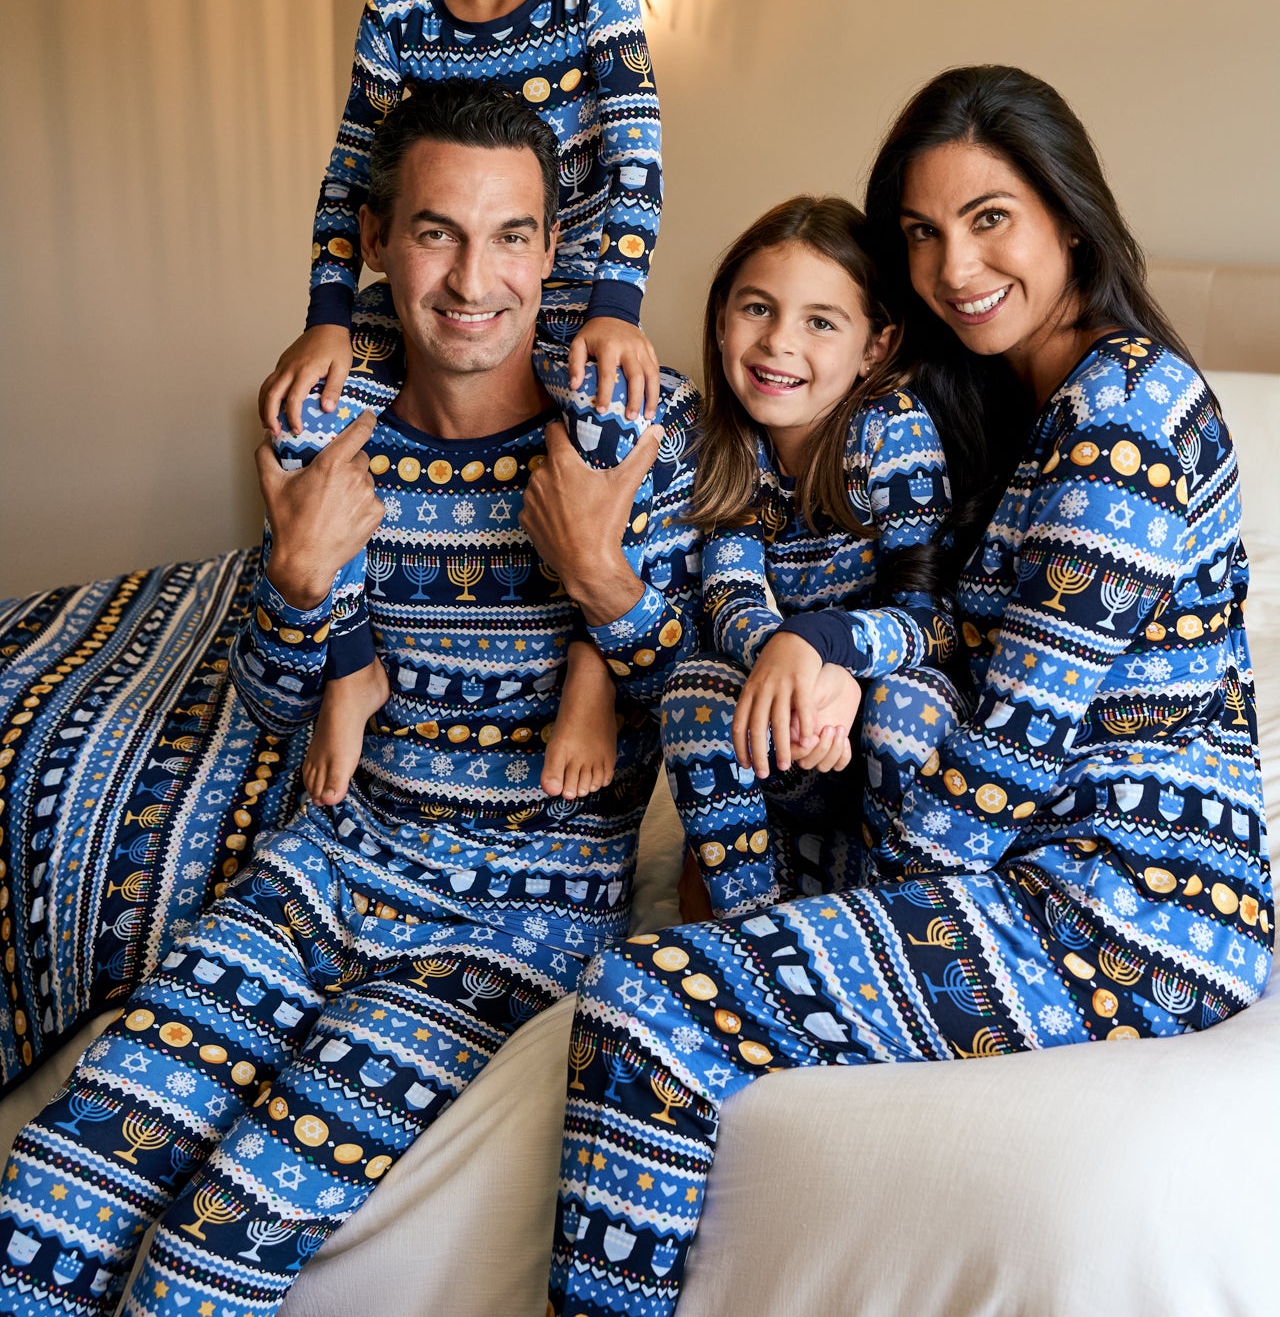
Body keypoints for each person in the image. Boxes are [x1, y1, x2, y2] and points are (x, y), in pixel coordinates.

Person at [545, 66, 1272, 1317]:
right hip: (1031, 859)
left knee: (645, 1004)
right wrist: (822, 654)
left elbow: (1008, 750)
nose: (953, 266)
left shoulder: (1126, 408)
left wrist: (867, 838)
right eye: (923, 234)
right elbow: (937, 628)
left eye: (989, 218)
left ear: (1066, 216)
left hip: (1130, 907)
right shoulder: (1022, 411)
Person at [0, 83, 699, 1317]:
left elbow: (690, 704)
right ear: (376, 242)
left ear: (553, 250)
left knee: (205, 1256)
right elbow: (278, 702)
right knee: (47, 1200)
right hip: (322, 873)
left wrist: (598, 575)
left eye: (509, 237)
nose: (472, 278)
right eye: (436, 231)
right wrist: (294, 576)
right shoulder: (322, 423)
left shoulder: (638, 422)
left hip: (510, 924)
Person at [262, 0, 665, 814]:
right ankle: (350, 664)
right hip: (424, 301)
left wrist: (618, 304)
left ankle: (587, 670)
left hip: (568, 295)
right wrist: (328, 318)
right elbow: (353, 183)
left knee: (614, 427)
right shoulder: (394, 19)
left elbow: (635, 151)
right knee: (308, 416)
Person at [661, 196, 960, 918]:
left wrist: (827, 652)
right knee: (692, 688)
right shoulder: (725, 444)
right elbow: (730, 597)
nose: (778, 343)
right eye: (756, 309)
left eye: (820, 322)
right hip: (792, 730)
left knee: (906, 706)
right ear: (722, 316)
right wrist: (789, 671)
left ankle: (894, 917)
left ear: (876, 346)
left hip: (869, 714)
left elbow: (932, 619)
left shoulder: (889, 430)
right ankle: (751, 923)